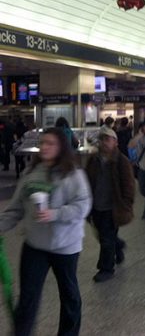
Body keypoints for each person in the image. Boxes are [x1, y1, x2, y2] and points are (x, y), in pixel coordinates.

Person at [0, 127, 91, 336]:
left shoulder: (75, 175)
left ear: (62, 147)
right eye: (43, 142)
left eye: (51, 143)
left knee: (69, 295)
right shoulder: (30, 174)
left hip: (66, 246)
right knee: (28, 297)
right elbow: (15, 209)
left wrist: (56, 214)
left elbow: (83, 206)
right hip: (35, 244)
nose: (45, 147)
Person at [85, 127, 135, 282]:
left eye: (108, 139)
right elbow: (87, 180)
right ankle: (118, 247)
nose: (104, 143)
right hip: (96, 205)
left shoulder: (121, 161)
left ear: (115, 142)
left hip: (112, 207)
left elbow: (129, 185)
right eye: (102, 139)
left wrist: (126, 204)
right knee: (102, 235)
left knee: (106, 237)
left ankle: (106, 268)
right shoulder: (93, 160)